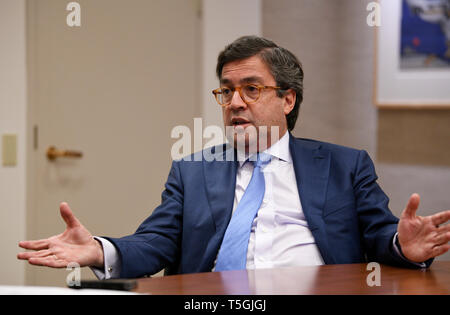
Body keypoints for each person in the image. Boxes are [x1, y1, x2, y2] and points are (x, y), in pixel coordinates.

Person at [18, 36, 450, 279]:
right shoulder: (193, 171)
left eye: (251, 88)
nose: (234, 101)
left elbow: (381, 236)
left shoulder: (344, 165)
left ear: (287, 100)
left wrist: (404, 245)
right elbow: (157, 242)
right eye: (226, 90)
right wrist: (99, 250)